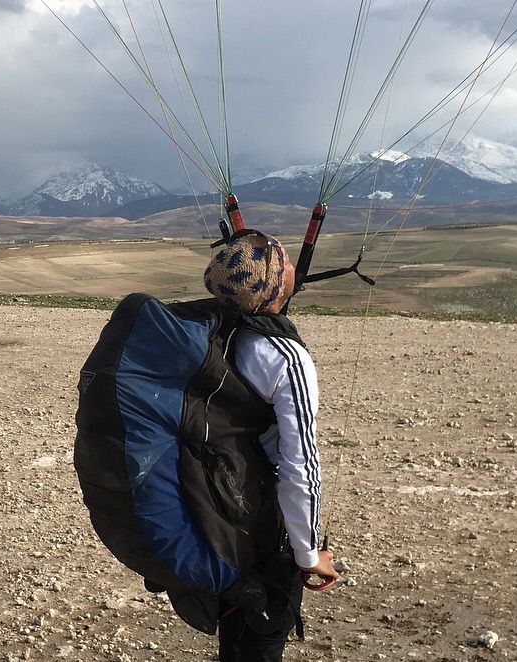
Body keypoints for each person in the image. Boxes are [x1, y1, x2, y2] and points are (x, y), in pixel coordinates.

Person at [199, 228, 340, 661]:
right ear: (277, 285)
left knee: (235, 632)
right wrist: (309, 552)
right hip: (262, 523)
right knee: (262, 639)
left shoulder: (215, 335)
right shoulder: (285, 358)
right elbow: (299, 464)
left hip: (211, 509)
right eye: (285, 263)